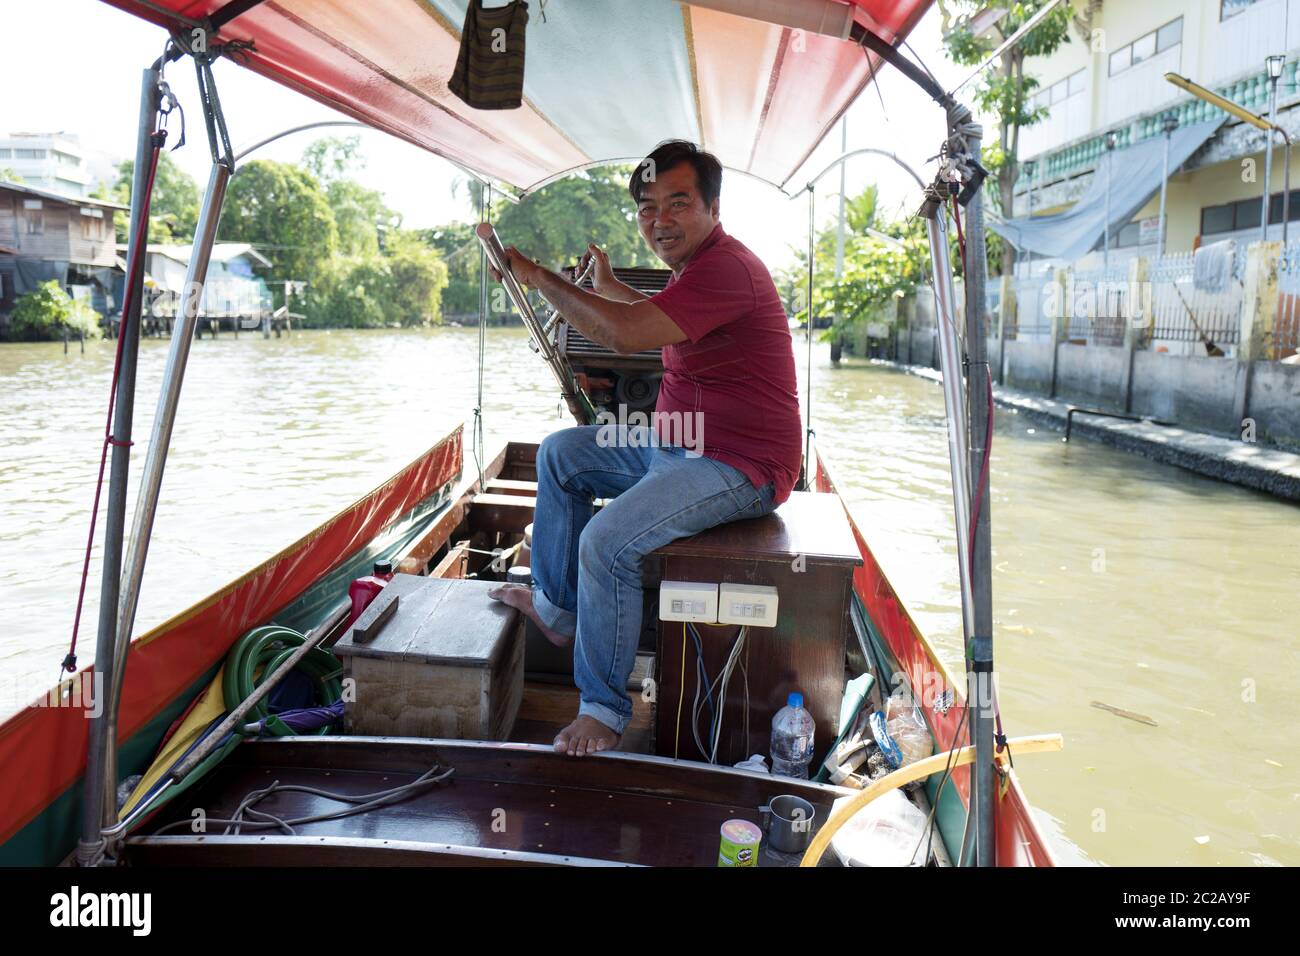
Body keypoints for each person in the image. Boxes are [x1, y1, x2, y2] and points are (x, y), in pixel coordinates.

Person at [487, 140, 802, 757]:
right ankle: (557, 611)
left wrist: (534, 275)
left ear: (712, 206)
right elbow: (653, 316)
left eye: (677, 203)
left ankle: (603, 709)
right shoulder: (696, 274)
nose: (660, 220)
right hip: (674, 442)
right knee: (561, 454)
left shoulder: (728, 267)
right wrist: (605, 282)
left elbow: (625, 333)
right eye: (647, 207)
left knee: (605, 544)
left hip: (739, 463)